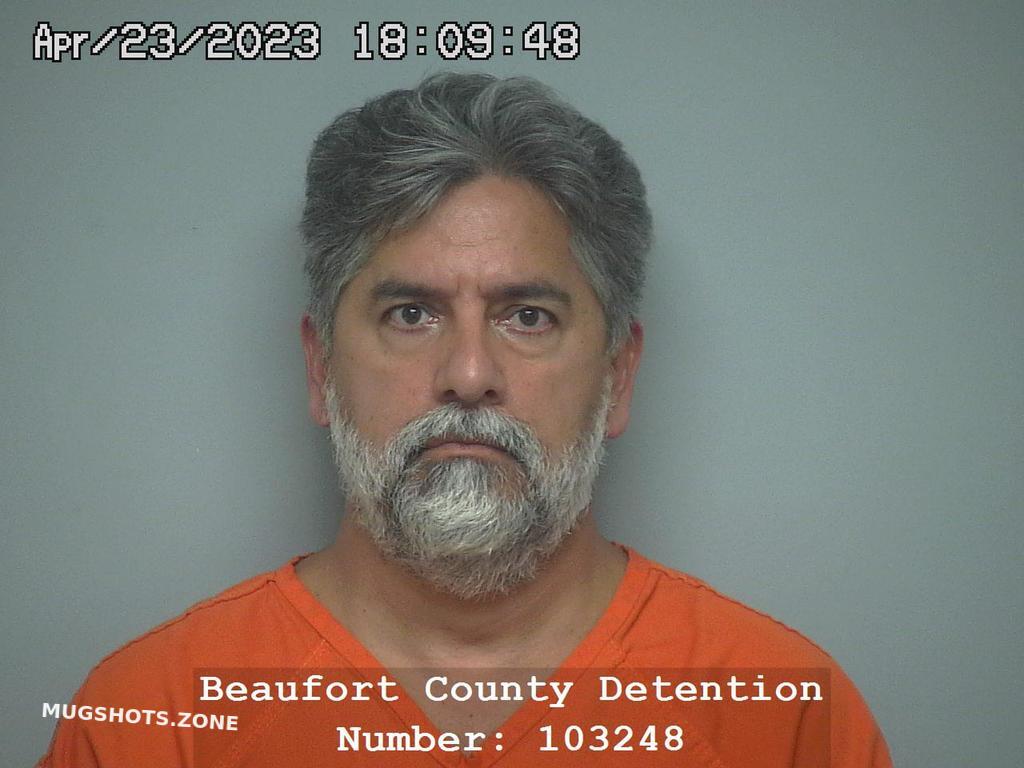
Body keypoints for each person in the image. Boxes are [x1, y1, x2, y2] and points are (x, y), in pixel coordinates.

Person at [38, 72, 892, 767]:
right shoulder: (153, 718)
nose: (470, 376)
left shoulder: (788, 716)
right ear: (320, 367)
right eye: (411, 314)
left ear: (618, 375)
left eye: (528, 316)